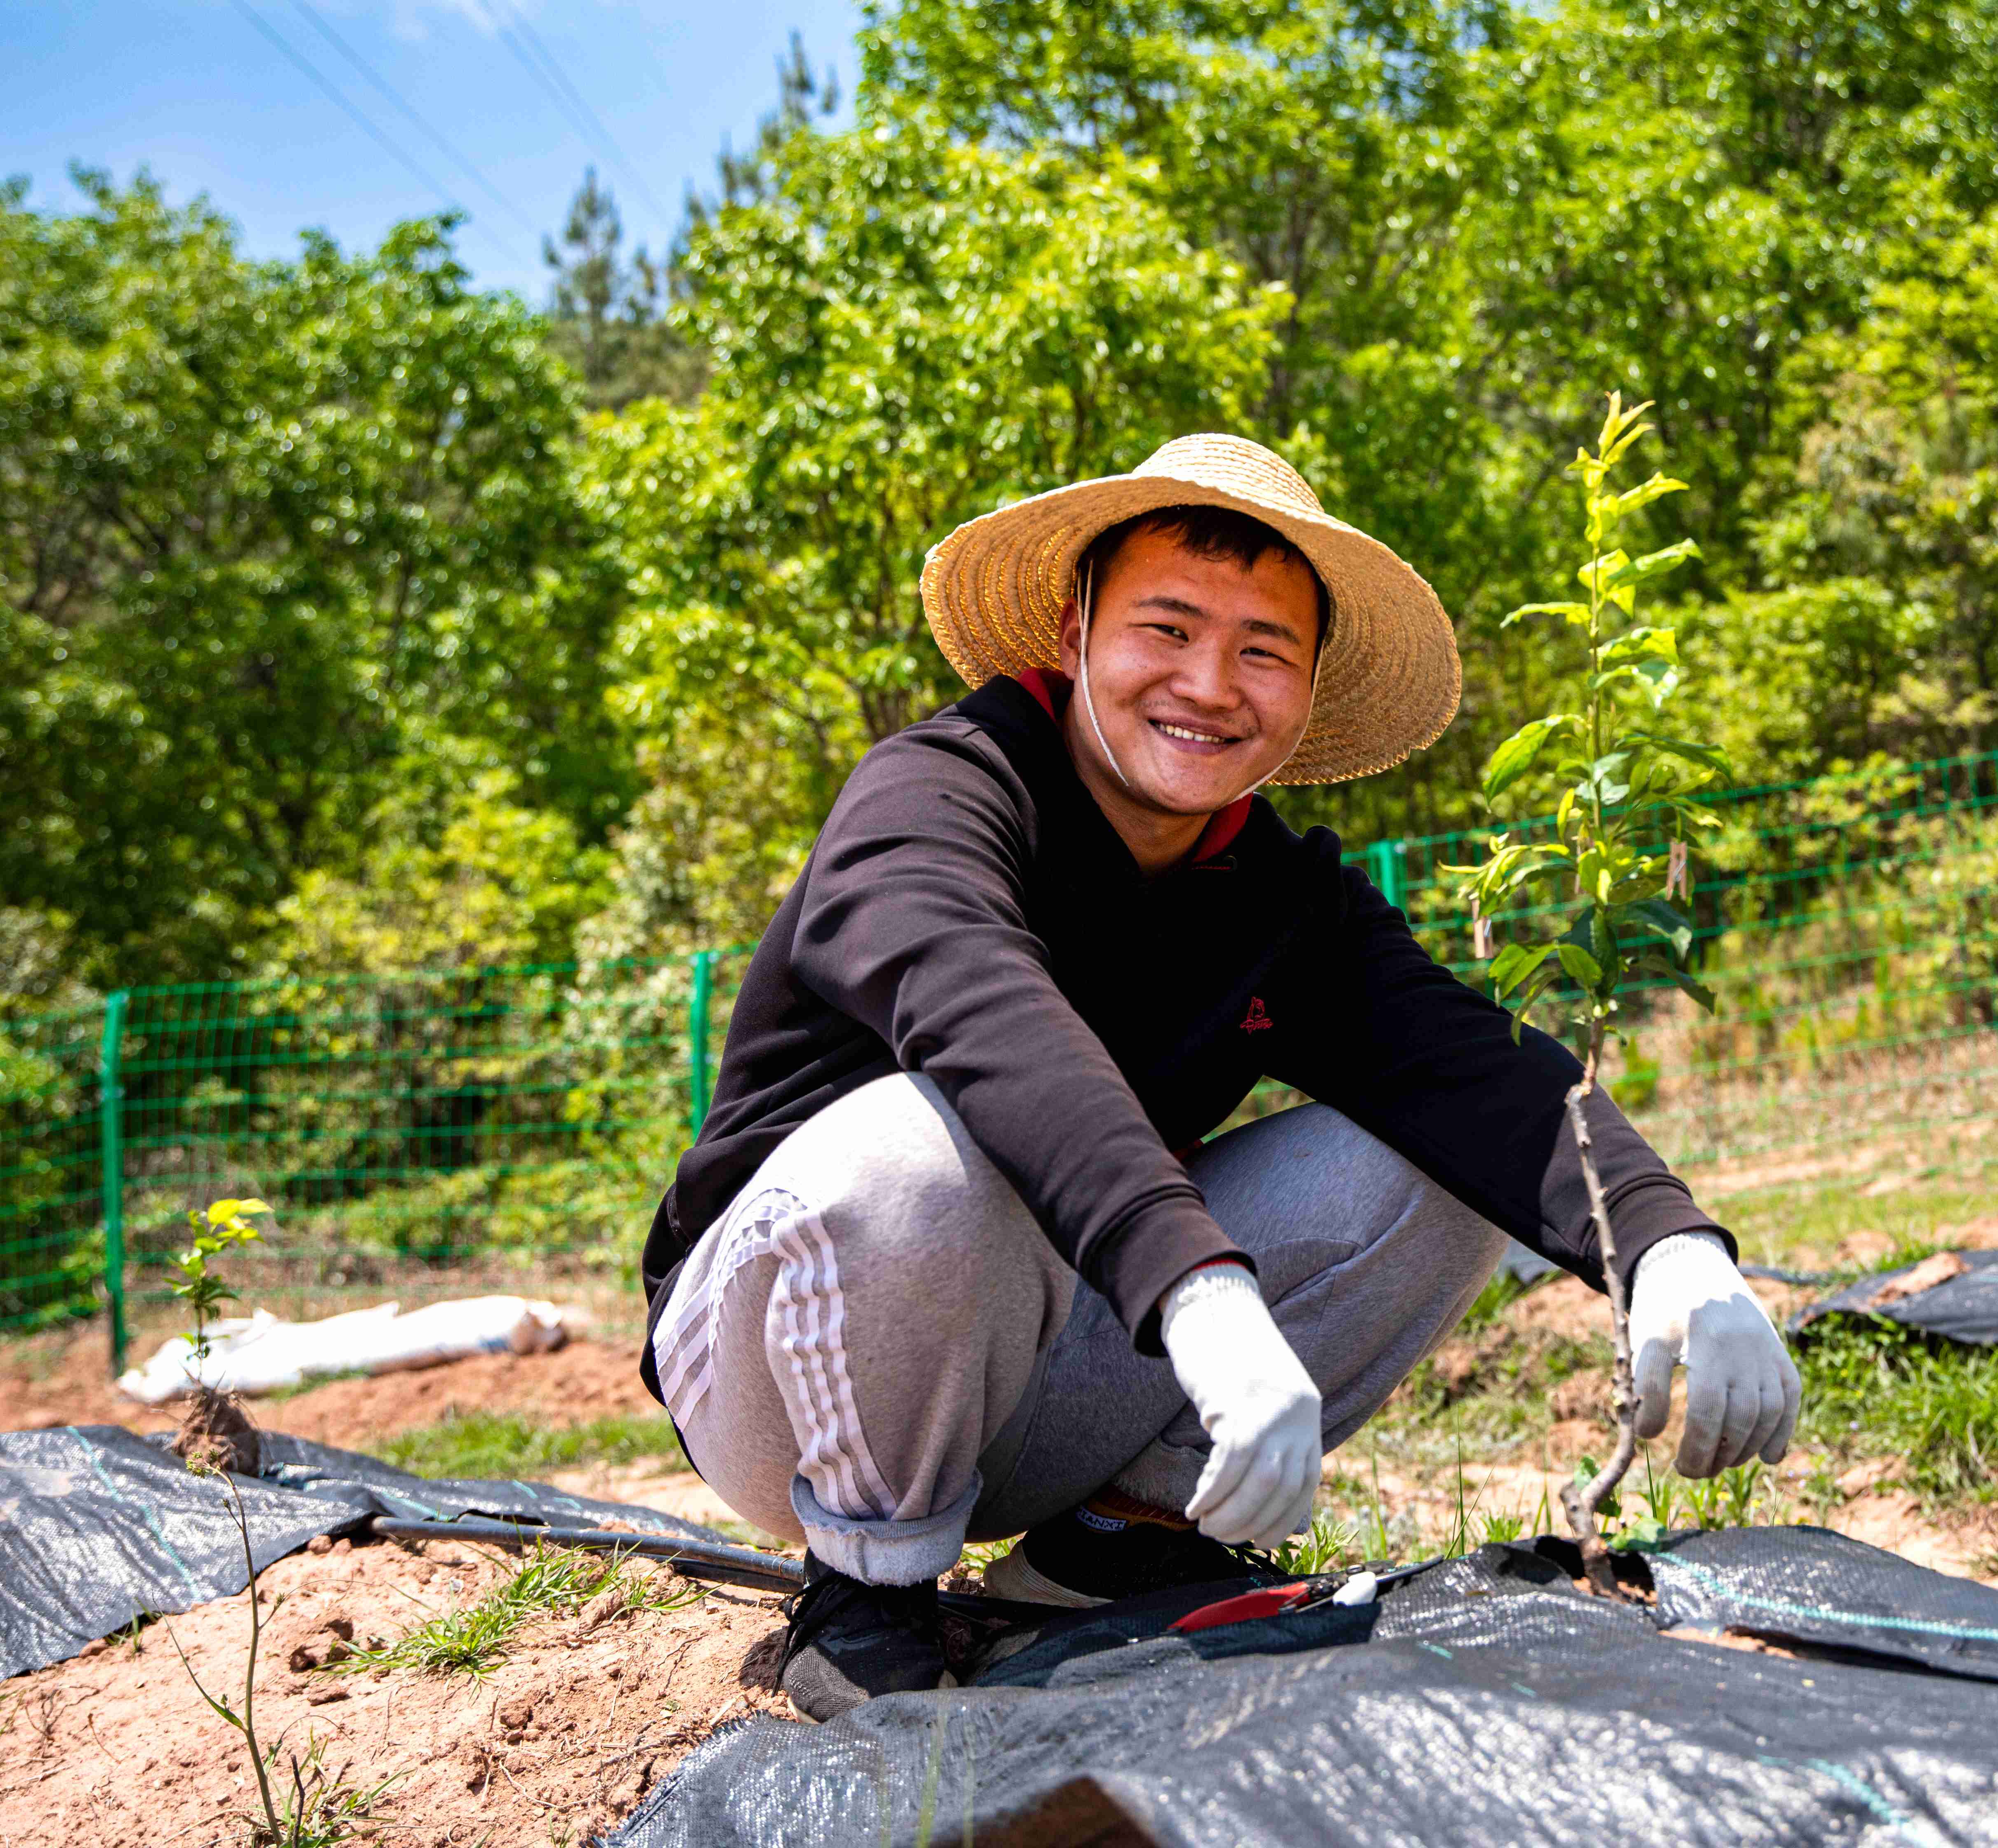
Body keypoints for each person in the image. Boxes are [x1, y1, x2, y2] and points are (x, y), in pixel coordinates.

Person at [638, 434, 1804, 1719]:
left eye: (1263, 650)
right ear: (1077, 629)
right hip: (782, 1368)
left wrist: (1671, 1249)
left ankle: (1116, 1544)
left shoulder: (1282, 899)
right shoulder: (940, 793)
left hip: (1045, 1373)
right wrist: (1199, 1290)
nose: (1209, 684)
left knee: (1434, 1166)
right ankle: (867, 1589)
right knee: (926, 1148)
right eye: (1168, 628)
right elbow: (986, 1014)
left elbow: (1479, 1076)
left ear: (1306, 691)